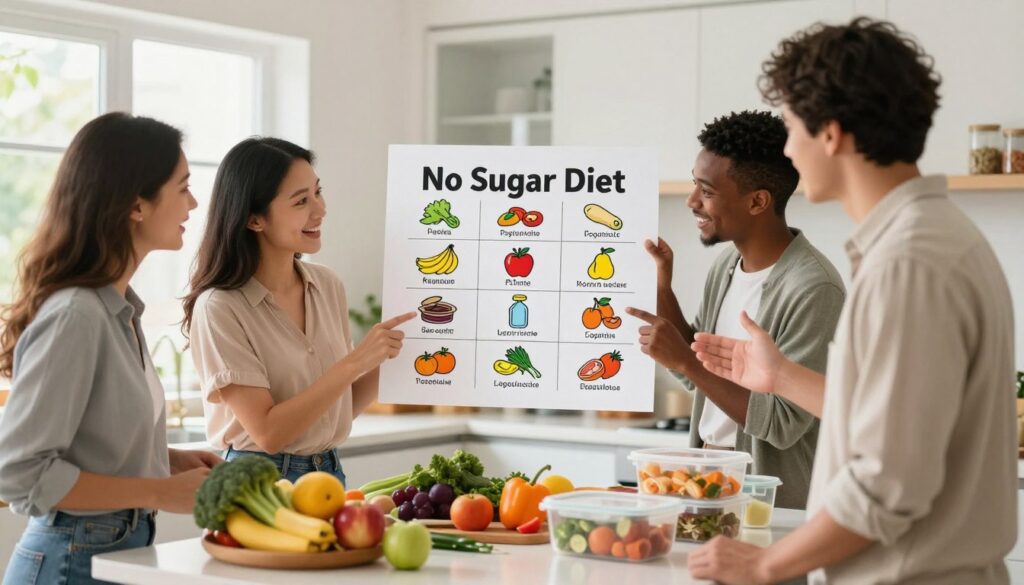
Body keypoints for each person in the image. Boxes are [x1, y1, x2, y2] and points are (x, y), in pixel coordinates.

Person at [687, 17, 1016, 585]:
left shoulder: (910, 263)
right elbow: (891, 420)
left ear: (831, 134)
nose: (789, 148)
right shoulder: (931, 238)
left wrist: (765, 563)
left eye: (793, 128)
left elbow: (887, 484)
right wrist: (782, 377)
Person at [0, 112, 220, 585]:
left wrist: (166, 460)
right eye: (183, 187)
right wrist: (158, 491)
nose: (194, 202)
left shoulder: (119, 311)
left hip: (110, 550)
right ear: (137, 205)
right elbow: (19, 474)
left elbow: (93, 444)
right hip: (69, 562)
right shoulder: (76, 316)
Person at [626, 110, 845, 509]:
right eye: (695, 184)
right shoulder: (727, 266)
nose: (692, 201)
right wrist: (662, 288)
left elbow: (782, 423)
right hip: (708, 476)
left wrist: (686, 362)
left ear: (758, 201)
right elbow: (699, 370)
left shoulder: (815, 288)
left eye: (706, 191)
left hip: (772, 502)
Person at [183, 137, 414, 485]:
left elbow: (338, 407)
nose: (320, 209)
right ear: (255, 219)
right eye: (301, 201)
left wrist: (394, 354)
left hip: (328, 473)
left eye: (317, 192)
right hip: (259, 481)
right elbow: (268, 433)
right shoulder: (220, 308)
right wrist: (355, 362)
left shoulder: (327, 285)